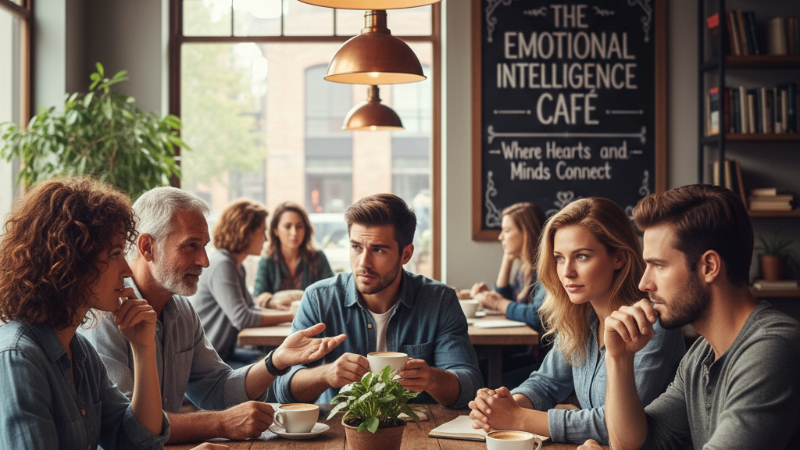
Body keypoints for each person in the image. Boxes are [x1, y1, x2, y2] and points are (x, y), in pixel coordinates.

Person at [80, 187, 346, 446]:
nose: (205, 261)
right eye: (191, 246)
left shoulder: (181, 311)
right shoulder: (105, 317)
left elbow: (217, 389)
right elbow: (129, 428)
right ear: (147, 247)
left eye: (204, 246)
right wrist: (221, 423)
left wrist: (275, 361)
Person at [580, 184, 800, 450]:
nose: (644, 284)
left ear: (709, 266)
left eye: (658, 265)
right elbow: (638, 444)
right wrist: (619, 358)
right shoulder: (701, 355)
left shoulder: (772, 349)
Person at [468, 198, 686, 445]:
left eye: (581, 256)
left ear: (619, 259)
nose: (567, 272)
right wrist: (502, 406)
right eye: (559, 258)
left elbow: (613, 425)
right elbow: (546, 383)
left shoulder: (651, 325)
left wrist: (517, 419)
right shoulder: (580, 316)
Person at [0, 177, 170, 449]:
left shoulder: (80, 351)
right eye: (115, 253)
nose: (127, 270)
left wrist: (143, 347)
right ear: (70, 258)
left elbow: (139, 441)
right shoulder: (19, 359)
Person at [274, 193, 482, 408]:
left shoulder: (440, 300)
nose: (364, 262)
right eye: (356, 247)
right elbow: (284, 389)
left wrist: (431, 378)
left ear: (406, 254)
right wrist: (326, 374)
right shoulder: (318, 299)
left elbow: (470, 386)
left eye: (378, 250)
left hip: (419, 431)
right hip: (341, 432)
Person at [190, 199, 295, 365]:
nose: (266, 239)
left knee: (283, 364)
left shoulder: (237, 266)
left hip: (224, 353)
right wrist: (290, 315)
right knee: (277, 371)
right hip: (207, 363)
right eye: (262, 232)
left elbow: (250, 308)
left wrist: (279, 311)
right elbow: (242, 317)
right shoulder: (222, 265)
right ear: (245, 231)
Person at [471, 202, 548, 332]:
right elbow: (509, 305)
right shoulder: (524, 269)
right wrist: (506, 260)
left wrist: (498, 303)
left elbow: (539, 317)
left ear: (526, 233)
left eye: (506, 231)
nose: (500, 237)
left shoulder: (546, 269)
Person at [253, 202, 334, 309]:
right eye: (287, 226)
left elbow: (332, 293)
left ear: (306, 229)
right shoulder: (268, 259)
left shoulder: (318, 257)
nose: (294, 232)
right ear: (276, 230)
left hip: (313, 320)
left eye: (299, 226)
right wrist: (270, 301)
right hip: (277, 322)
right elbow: (258, 296)